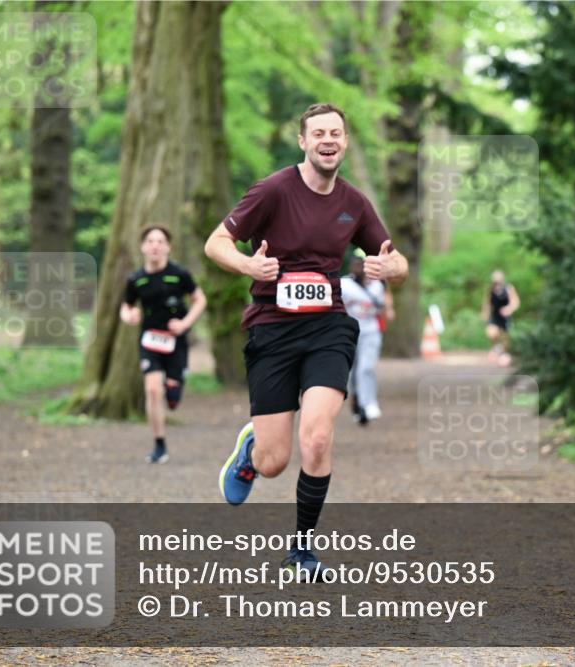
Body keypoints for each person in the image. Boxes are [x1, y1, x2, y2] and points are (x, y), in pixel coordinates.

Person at [204, 103, 408, 576]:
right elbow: (216, 242)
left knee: (316, 437)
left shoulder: (354, 203)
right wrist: (249, 265)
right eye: (318, 133)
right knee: (275, 461)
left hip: (327, 328)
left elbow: (395, 261)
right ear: (303, 141)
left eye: (336, 132)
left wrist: (388, 268)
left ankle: (302, 549)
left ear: (345, 141)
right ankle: (253, 451)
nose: (328, 140)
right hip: (272, 327)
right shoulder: (274, 190)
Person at [121, 226, 207, 464]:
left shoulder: (179, 274)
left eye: (160, 241)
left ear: (168, 247)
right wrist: (128, 316)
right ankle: (159, 444)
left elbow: (200, 299)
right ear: (143, 247)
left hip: (176, 342)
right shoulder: (136, 279)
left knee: (172, 395)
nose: (155, 246)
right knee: (152, 390)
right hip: (149, 340)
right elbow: (126, 306)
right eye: (150, 241)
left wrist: (185, 323)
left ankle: (175, 385)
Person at [341, 253, 391, 425]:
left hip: (371, 331)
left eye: (360, 264)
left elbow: (384, 309)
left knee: (366, 368)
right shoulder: (344, 285)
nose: (357, 267)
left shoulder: (377, 286)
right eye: (354, 263)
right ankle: (357, 404)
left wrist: (385, 308)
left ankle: (369, 403)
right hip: (350, 333)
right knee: (352, 371)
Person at [481, 270, 519, 367]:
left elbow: (515, 302)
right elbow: (487, 303)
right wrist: (485, 313)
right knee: (491, 333)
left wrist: (509, 309)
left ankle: (503, 353)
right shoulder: (490, 289)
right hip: (495, 316)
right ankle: (497, 348)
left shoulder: (509, 288)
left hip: (505, 317)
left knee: (505, 338)